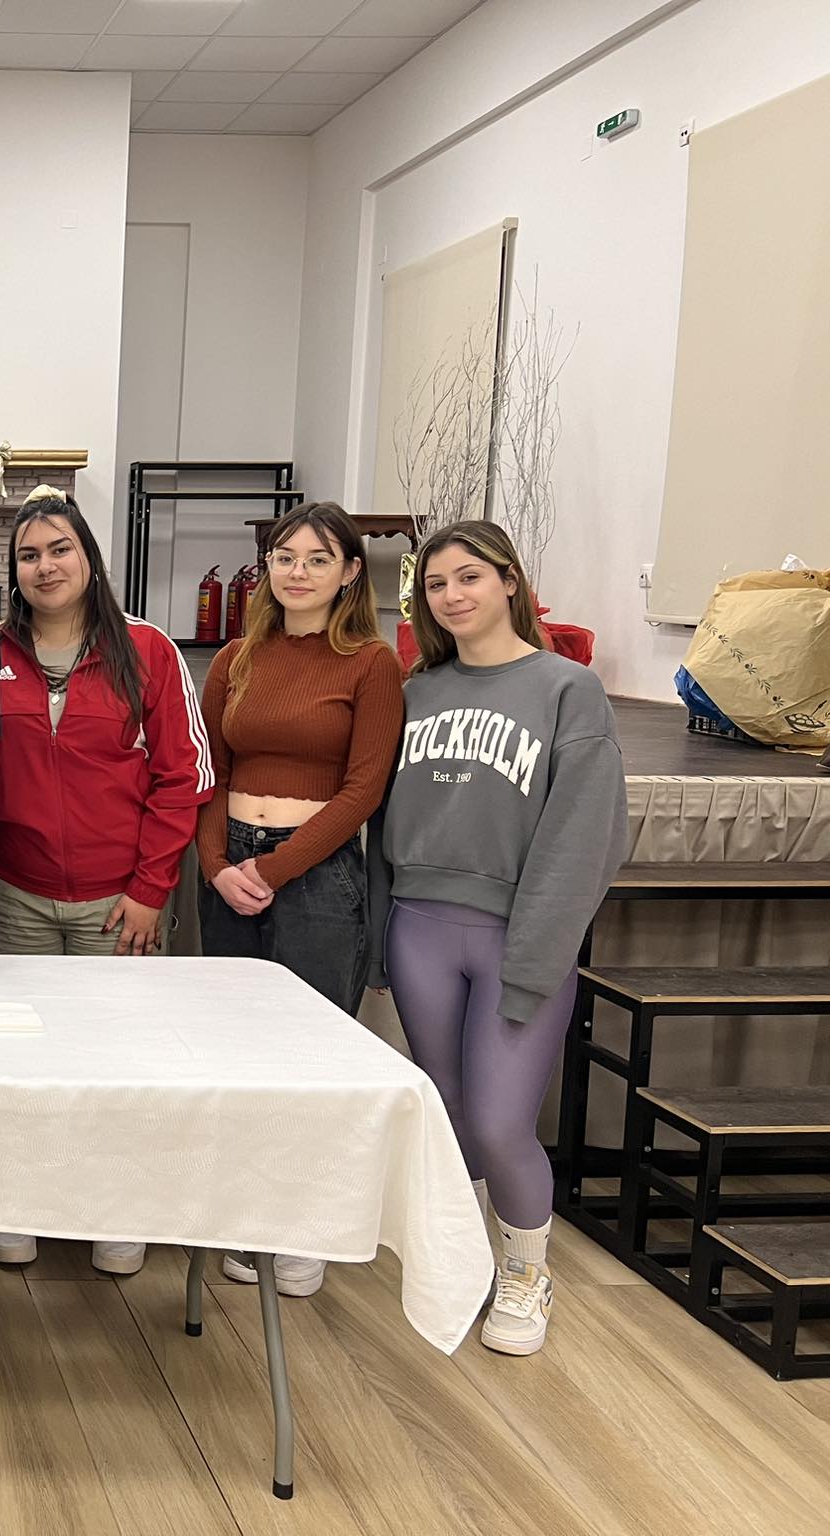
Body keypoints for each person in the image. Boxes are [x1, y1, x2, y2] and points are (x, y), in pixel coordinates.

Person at [372, 519, 626, 1357]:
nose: (453, 595)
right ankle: (467, 1254)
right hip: (420, 926)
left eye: (470, 577)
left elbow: (586, 833)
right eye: (436, 584)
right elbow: (379, 821)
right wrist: (378, 931)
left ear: (510, 580)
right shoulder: (415, 693)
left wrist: (540, 949)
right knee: (448, 1111)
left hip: (520, 930)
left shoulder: (567, 690)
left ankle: (526, 1270)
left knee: (499, 1120)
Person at [0, 486, 212, 1276]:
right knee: (20, 1060)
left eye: (60, 549)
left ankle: (116, 1207)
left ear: (89, 558)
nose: (46, 566)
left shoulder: (149, 651)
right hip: (14, 895)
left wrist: (150, 890)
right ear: (14, 571)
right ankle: (22, 1201)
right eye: (29, 555)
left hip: (118, 904)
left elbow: (182, 779)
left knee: (117, 1060)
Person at [196, 501, 403, 1299]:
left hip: (315, 875)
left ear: (350, 572)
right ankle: (248, 1216)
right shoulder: (236, 659)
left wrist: (275, 870)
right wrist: (217, 865)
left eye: (318, 559)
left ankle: (306, 1224)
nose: (298, 572)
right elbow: (209, 774)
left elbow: (363, 791)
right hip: (230, 873)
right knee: (236, 1053)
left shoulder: (370, 664)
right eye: (285, 557)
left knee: (309, 1056)